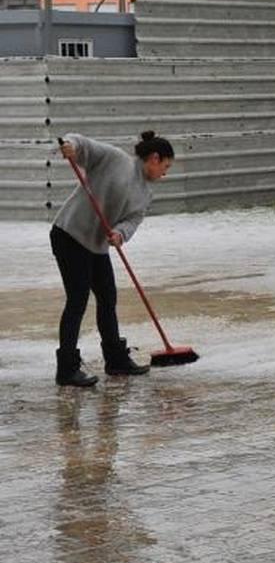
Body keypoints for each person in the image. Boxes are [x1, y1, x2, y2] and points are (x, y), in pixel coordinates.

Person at [51, 131, 175, 387]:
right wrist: (71, 146)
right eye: (166, 166)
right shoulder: (115, 159)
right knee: (78, 299)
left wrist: (120, 234)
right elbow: (83, 144)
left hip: (96, 245)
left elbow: (133, 220)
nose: (165, 172)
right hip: (70, 235)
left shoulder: (145, 192)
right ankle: (67, 368)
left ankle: (116, 360)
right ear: (154, 158)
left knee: (108, 298)